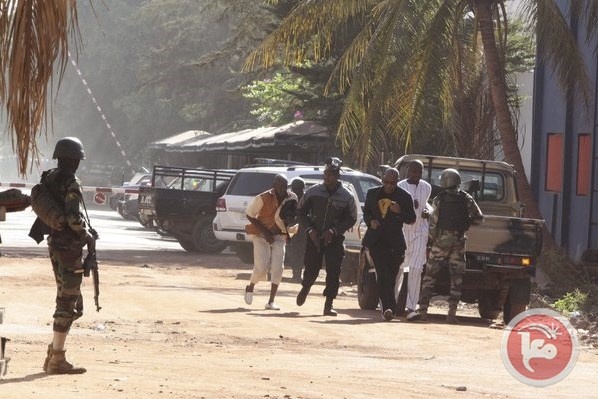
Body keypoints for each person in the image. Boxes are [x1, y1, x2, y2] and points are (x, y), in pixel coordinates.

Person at [42, 137, 97, 374]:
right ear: (74, 159)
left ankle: (54, 349)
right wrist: (87, 235)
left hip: (55, 244)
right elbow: (74, 218)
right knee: (68, 302)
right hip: (69, 248)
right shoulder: (71, 181)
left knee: (71, 302)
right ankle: (57, 358)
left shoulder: (50, 177)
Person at [411, 168, 483, 323]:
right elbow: (479, 218)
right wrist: (465, 225)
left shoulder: (439, 199)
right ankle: (451, 314)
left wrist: (433, 240)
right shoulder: (466, 198)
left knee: (429, 277)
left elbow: (433, 222)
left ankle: (423, 311)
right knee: (456, 280)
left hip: (440, 244)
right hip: (458, 243)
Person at [295, 157, 358, 316]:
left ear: (337, 176)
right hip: (314, 237)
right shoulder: (313, 191)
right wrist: (310, 229)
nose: (328, 177)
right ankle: (305, 288)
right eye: (326, 174)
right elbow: (300, 211)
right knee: (311, 269)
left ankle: (328, 304)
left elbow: (351, 218)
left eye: (331, 174)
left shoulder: (347, 196)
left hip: (334, 240)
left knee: (333, 271)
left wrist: (335, 231)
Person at [362, 168, 416, 321]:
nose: (389, 186)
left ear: (397, 182)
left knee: (391, 277)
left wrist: (399, 211)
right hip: (376, 240)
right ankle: (388, 308)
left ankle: (388, 305)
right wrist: (370, 221)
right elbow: (366, 212)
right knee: (382, 273)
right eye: (386, 182)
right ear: (382, 180)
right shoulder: (373, 193)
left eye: (392, 183)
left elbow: (411, 219)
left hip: (395, 242)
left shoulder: (404, 196)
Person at [244, 174, 297, 310]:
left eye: (286, 187)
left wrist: (289, 228)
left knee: (278, 269)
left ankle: (271, 301)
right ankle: (250, 286)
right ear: (274, 187)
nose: (283, 189)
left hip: (279, 237)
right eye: (281, 186)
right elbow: (249, 215)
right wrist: (265, 232)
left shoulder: (292, 198)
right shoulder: (263, 198)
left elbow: (291, 216)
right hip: (261, 236)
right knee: (261, 268)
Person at [396, 160, 432, 321]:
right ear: (408, 171)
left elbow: (427, 205)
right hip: (403, 230)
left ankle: (411, 307)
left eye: (419, 171)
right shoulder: (400, 186)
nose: (416, 174)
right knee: (399, 268)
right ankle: (393, 303)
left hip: (420, 231)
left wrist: (427, 210)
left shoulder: (426, 187)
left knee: (416, 269)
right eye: (413, 171)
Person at [285, 177, 306, 282]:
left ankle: (298, 274)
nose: (297, 190)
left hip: (303, 230)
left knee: (300, 251)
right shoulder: (290, 198)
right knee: (293, 251)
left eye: (299, 188)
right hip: (292, 229)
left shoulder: (306, 198)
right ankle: (296, 273)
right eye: (295, 188)